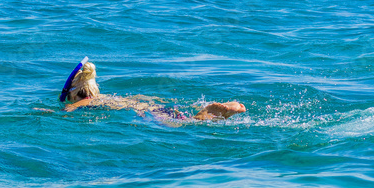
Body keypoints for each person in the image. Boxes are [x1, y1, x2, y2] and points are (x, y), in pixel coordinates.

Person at [59, 59, 246, 122]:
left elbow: (70, 109)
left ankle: (206, 114)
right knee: (178, 115)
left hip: (144, 112)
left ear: (74, 94)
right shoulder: (109, 97)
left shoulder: (87, 101)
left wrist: (57, 112)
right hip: (147, 104)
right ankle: (218, 111)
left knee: (185, 123)